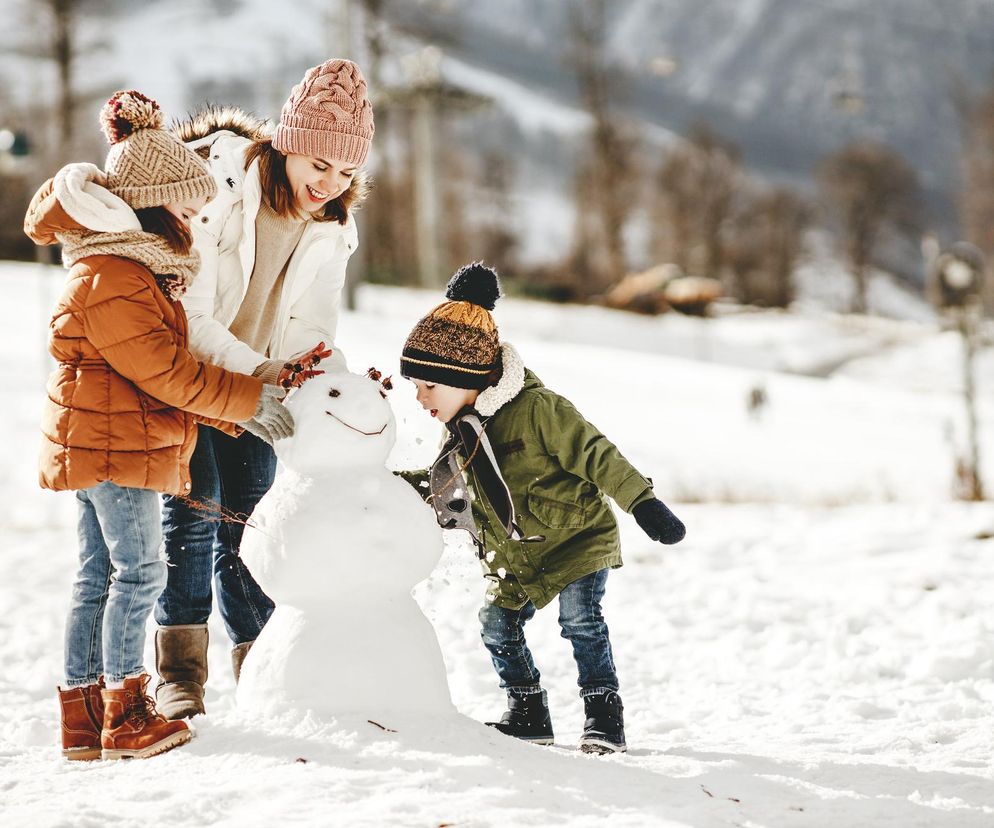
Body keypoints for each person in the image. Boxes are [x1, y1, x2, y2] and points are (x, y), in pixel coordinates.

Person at [24, 90, 294, 760]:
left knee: (98, 575)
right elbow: (166, 370)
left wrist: (228, 410)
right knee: (141, 571)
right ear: (150, 202)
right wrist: (246, 400)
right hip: (115, 447)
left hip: (110, 441)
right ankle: (126, 713)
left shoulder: (129, 269)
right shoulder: (115, 274)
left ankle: (85, 725)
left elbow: (162, 373)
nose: (193, 222)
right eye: (185, 209)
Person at [153, 58, 374, 720]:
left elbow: (312, 329)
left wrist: (336, 385)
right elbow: (192, 315)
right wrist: (263, 374)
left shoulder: (332, 227)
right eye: (319, 164)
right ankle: (181, 674)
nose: (329, 183)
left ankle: (263, 662)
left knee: (251, 522)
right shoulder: (218, 189)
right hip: (190, 375)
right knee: (195, 512)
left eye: (345, 172)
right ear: (288, 144)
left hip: (259, 390)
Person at [398, 263, 686, 754]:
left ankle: (603, 717)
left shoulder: (538, 409)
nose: (420, 396)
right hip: (519, 556)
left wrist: (643, 503)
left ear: (464, 375)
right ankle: (529, 712)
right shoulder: (461, 431)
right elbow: (445, 491)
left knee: (580, 621)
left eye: (429, 385)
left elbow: (597, 453)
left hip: (576, 539)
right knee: (496, 624)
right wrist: (384, 491)